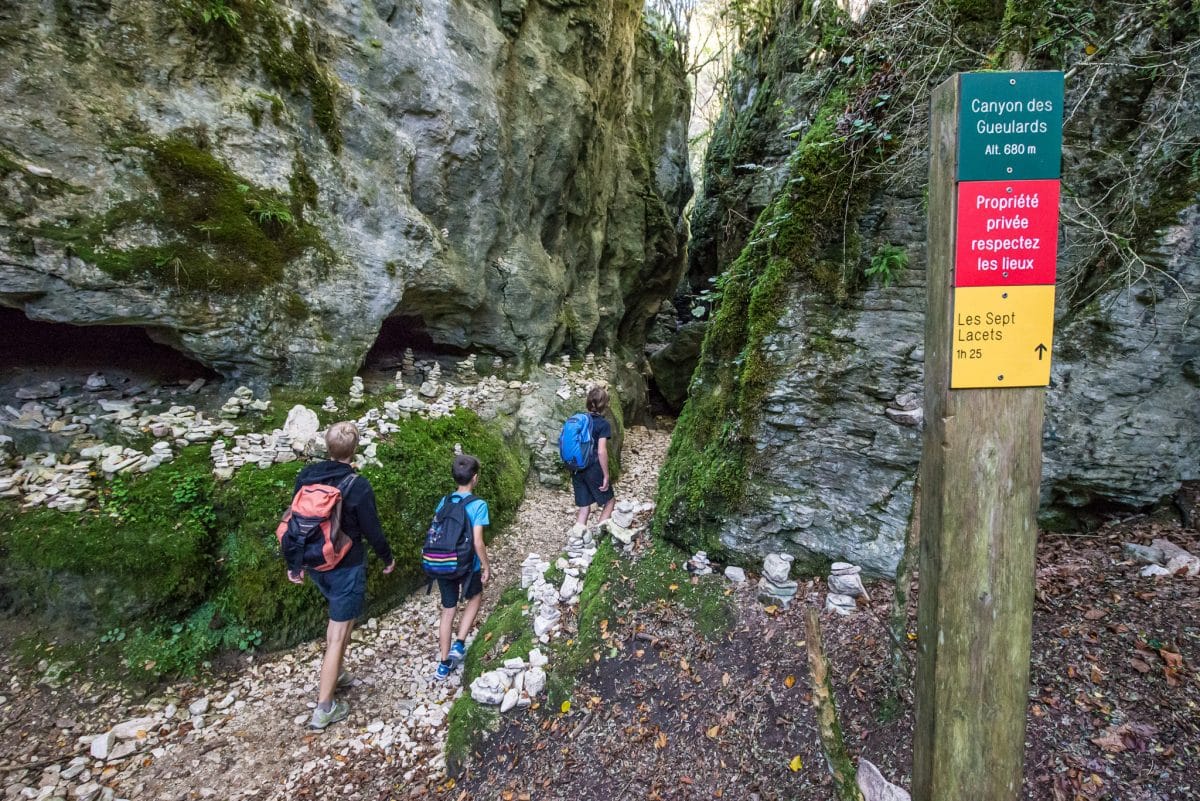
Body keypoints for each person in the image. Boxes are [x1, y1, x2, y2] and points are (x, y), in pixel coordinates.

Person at [286, 421, 395, 730]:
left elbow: (296, 523)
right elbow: (372, 529)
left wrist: (294, 565)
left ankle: (339, 672)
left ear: (328, 447)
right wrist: (387, 558)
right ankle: (324, 707)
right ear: (354, 449)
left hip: (315, 563)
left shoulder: (307, 476)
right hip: (346, 566)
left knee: (341, 623)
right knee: (337, 632)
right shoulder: (357, 485)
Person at [433, 454, 491, 680]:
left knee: (448, 610)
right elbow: (478, 541)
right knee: (475, 597)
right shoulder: (478, 505)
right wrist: (486, 565)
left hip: (443, 561)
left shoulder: (444, 501)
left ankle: (444, 663)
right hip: (468, 565)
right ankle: (460, 642)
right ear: (475, 478)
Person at [570, 385, 629, 542]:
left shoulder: (580, 420)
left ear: (588, 403)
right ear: (605, 405)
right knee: (609, 501)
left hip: (577, 468)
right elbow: (601, 451)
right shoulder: (603, 424)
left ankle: (576, 542)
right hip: (593, 468)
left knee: (584, 507)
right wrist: (606, 475)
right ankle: (598, 537)